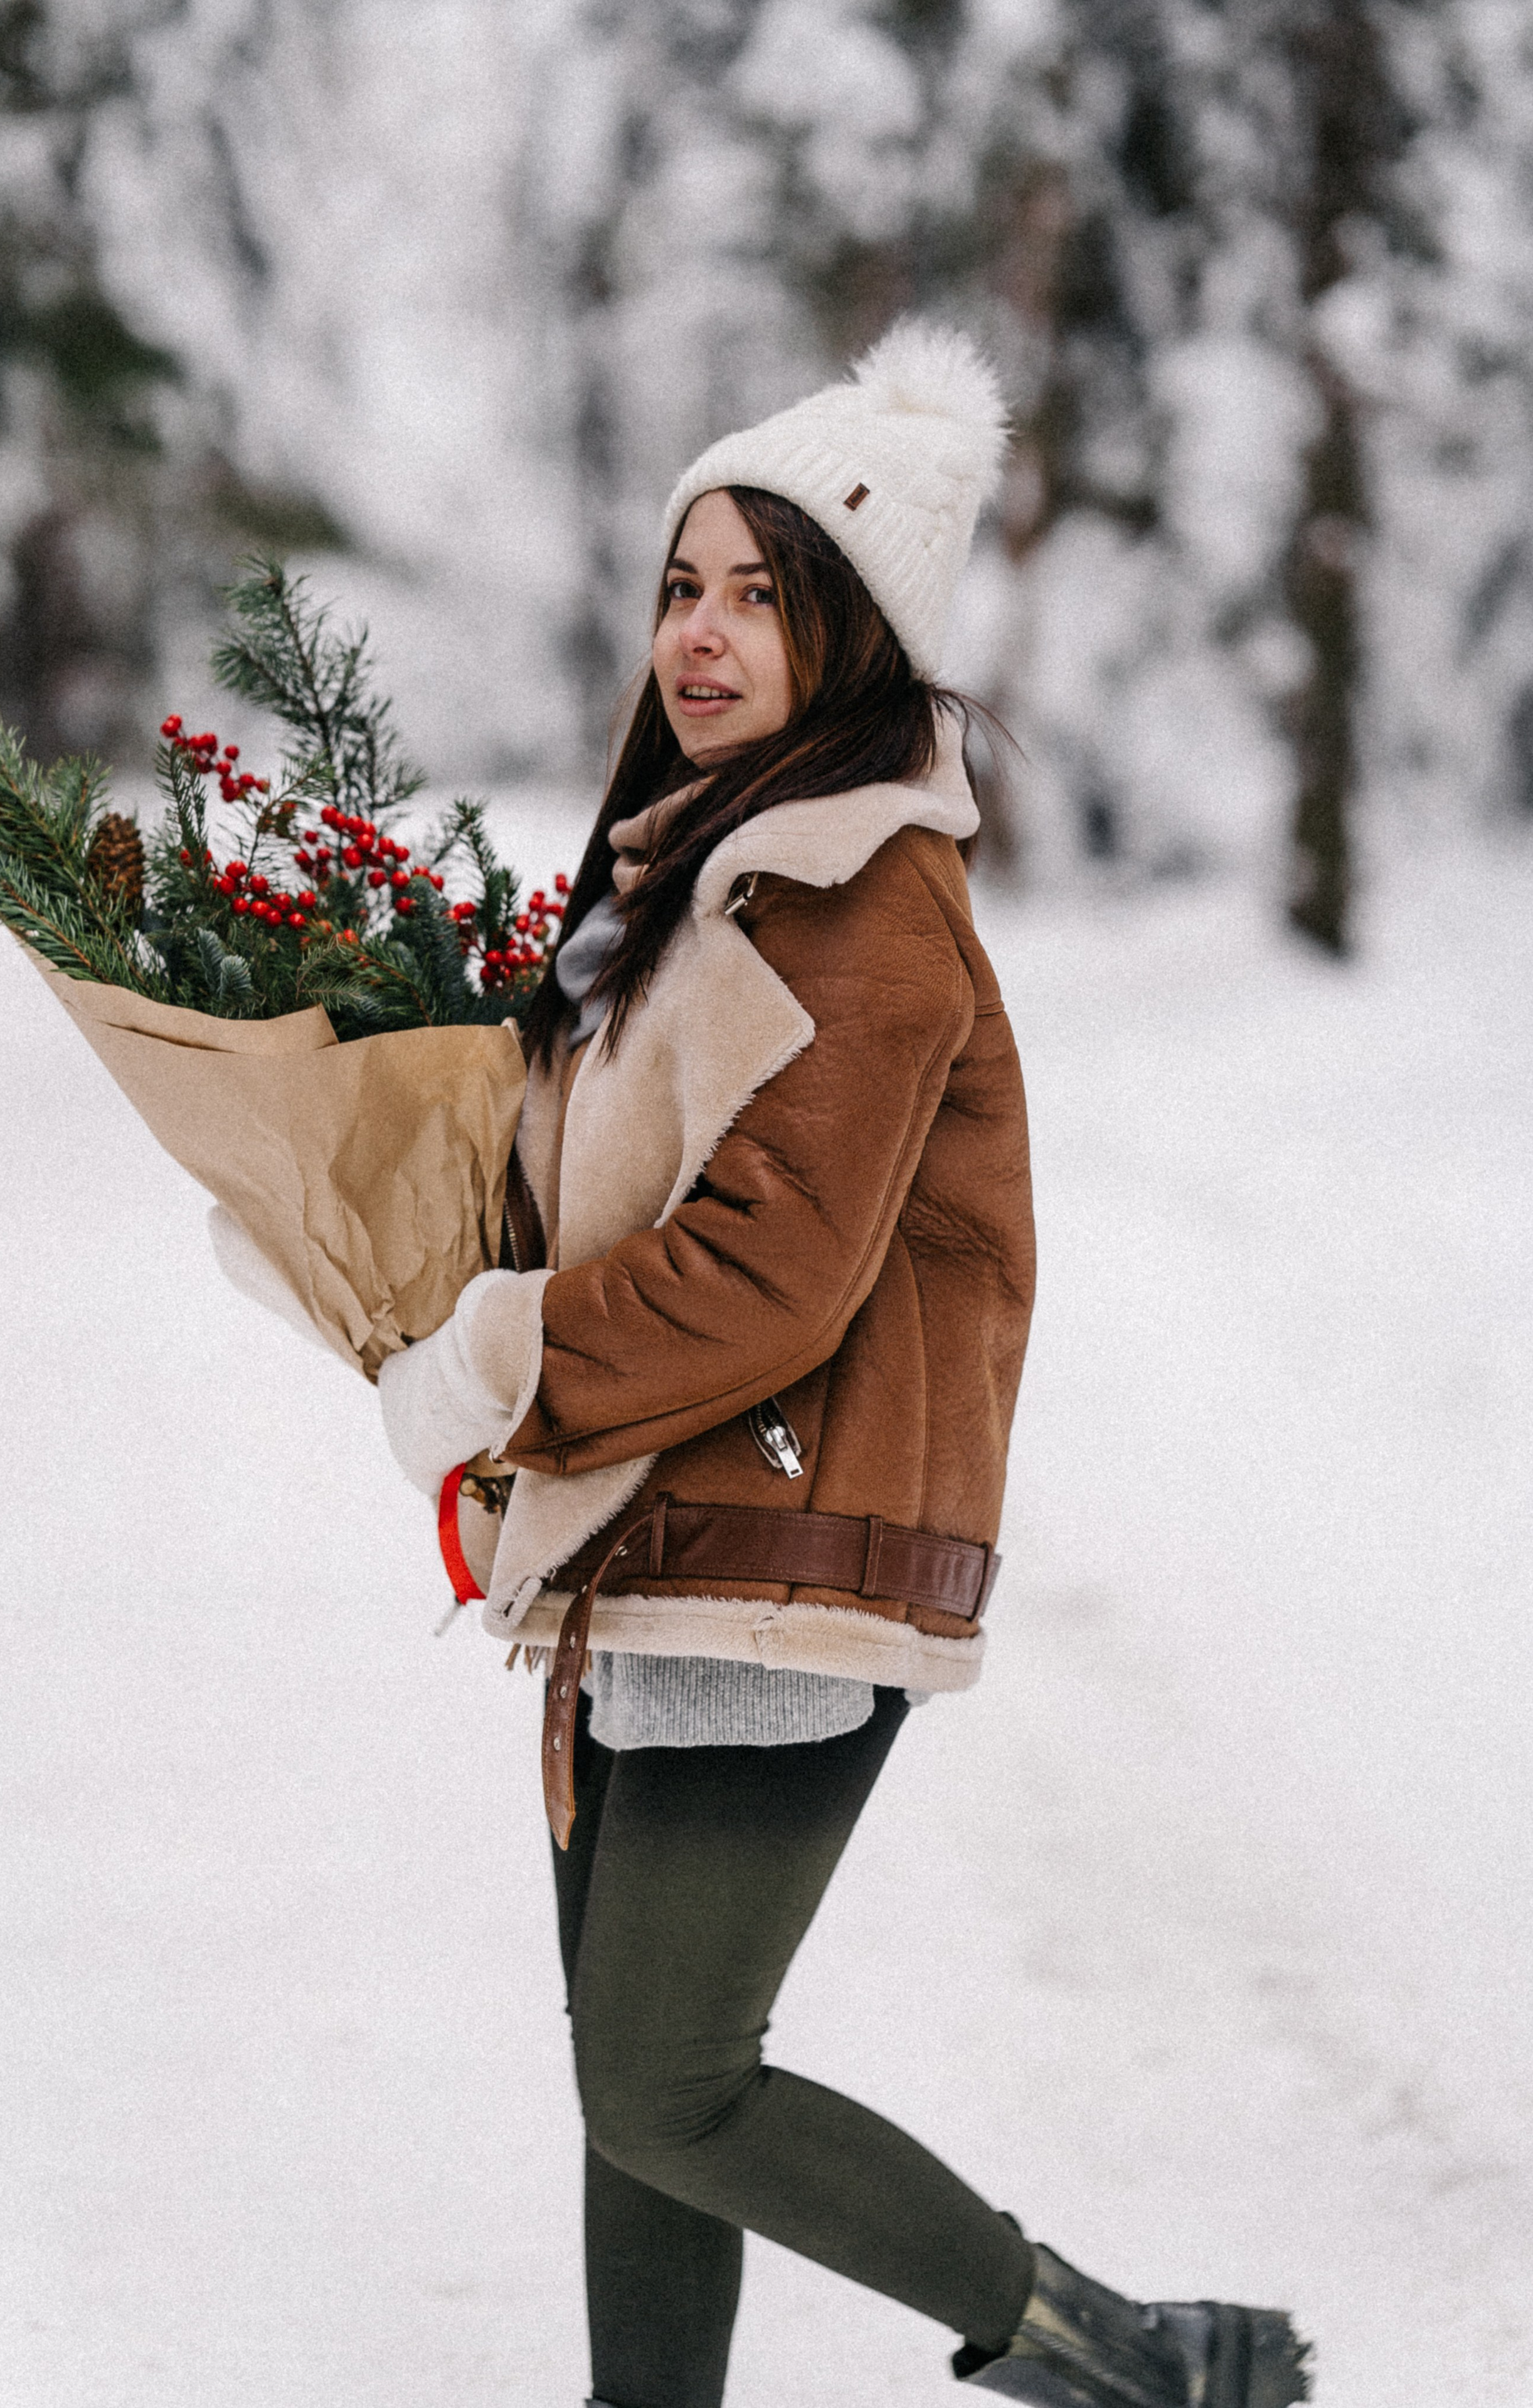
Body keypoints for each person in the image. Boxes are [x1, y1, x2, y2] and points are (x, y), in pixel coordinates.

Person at [377, 323, 1313, 2408]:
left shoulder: (855, 890)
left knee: (668, 2084)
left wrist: (503, 1365)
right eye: (681, 587)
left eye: (761, 596)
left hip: (779, 1544)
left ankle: (1120, 2354)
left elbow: (769, 1274)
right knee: (641, 2088)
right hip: (663, 1528)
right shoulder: (699, 871)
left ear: (856, 634)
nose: (701, 636)